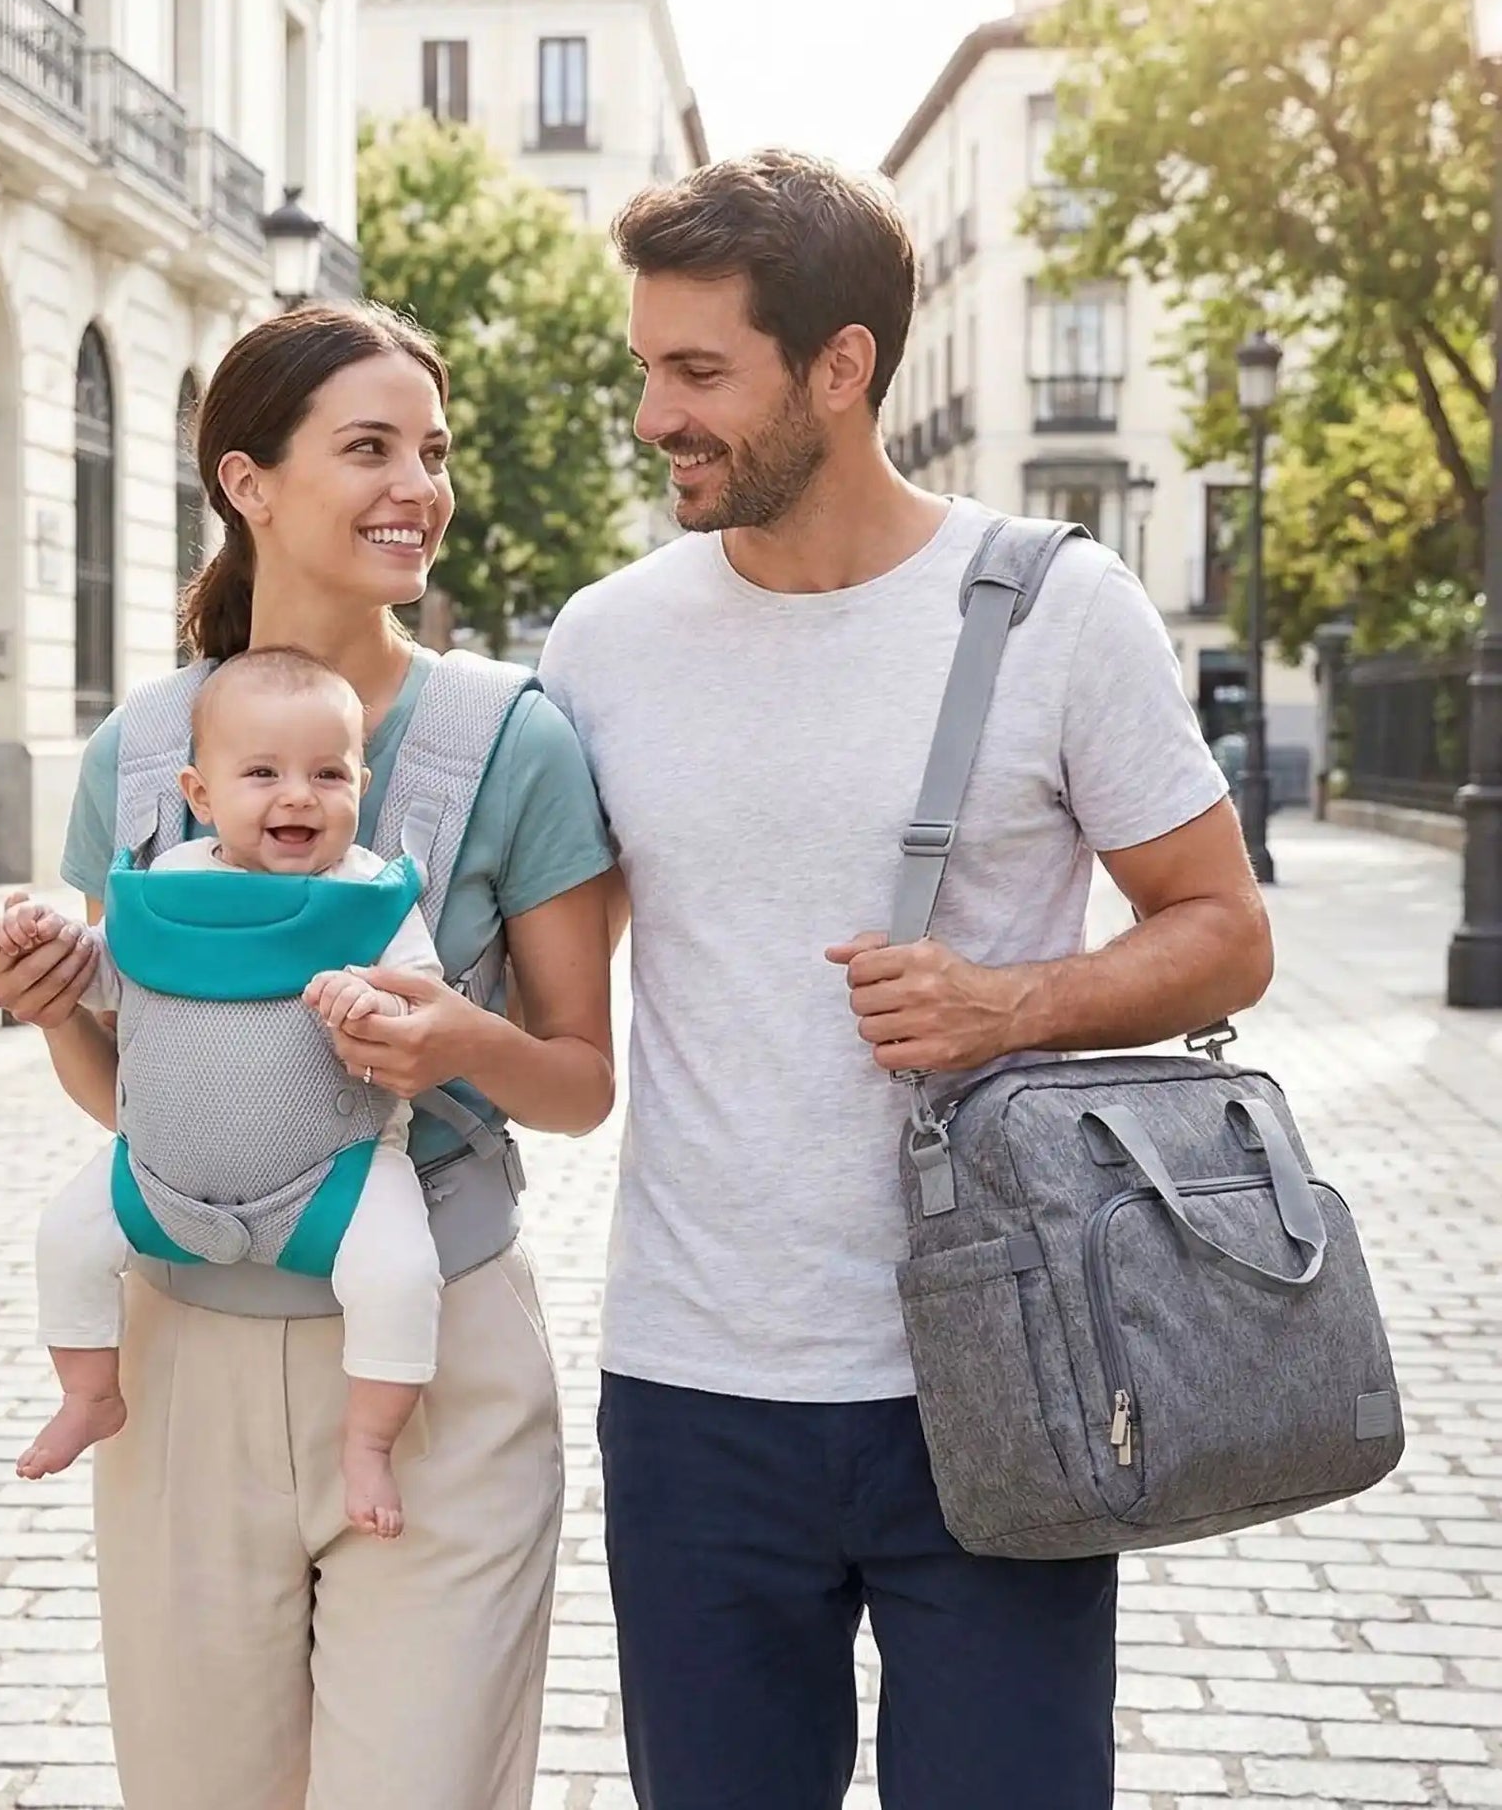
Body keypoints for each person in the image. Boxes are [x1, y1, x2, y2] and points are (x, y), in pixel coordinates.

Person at [536, 150, 1275, 1810]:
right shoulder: (601, 642)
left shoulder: (1056, 613)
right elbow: (540, 1007)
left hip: (1004, 1369)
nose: (656, 412)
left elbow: (1225, 926)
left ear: (841, 367)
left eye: (700, 372)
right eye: (648, 367)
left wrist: (1013, 1005)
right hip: (695, 1389)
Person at [0, 303, 616, 1810]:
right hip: (177, 1362)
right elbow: (122, 1093)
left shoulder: (510, 742)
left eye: (434, 452)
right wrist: (58, 1000)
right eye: (370, 449)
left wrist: (460, 1042)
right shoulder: (142, 755)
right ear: (247, 481)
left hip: (433, 1346)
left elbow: (582, 1080)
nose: (421, 486)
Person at [0, 647, 448, 1540]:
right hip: (154, 1175)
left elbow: (422, 1000)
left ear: (362, 782)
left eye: (327, 774)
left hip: (338, 1176)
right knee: (66, 1239)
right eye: (263, 773)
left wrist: (375, 997)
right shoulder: (164, 889)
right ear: (200, 795)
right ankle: (90, 1393)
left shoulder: (373, 896)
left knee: (399, 1274)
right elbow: (103, 979)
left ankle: (368, 1441)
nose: (298, 796)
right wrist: (43, 940)